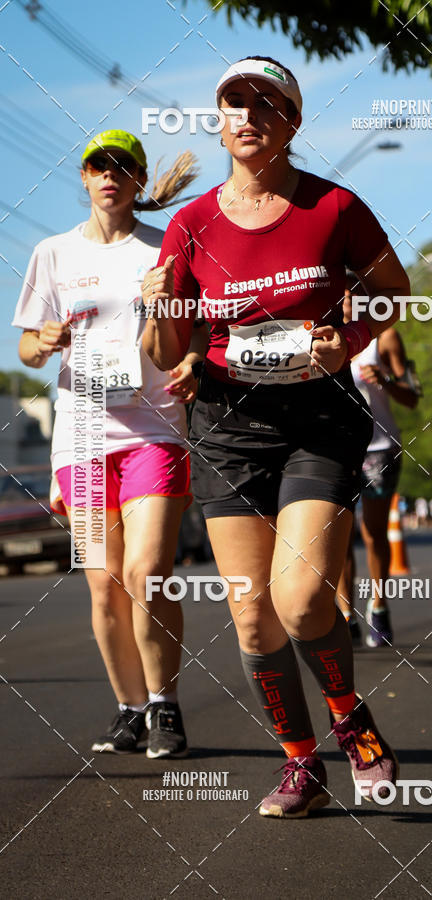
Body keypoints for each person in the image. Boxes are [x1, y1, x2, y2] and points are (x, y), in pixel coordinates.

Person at [142, 56, 411, 817]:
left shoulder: (334, 206)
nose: (248, 115)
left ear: (292, 121)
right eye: (233, 103)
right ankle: (301, 765)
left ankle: (350, 717)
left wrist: (347, 336)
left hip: (317, 419)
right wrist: (162, 311)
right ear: (219, 120)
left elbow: (394, 293)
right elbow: (165, 354)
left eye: (266, 103)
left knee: (299, 601)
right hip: (228, 426)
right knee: (252, 613)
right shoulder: (192, 225)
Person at [13, 129, 200, 758]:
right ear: (85, 177)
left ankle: (165, 706)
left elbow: (196, 330)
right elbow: (26, 346)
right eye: (99, 165)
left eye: (124, 166)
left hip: (153, 429)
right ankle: (128, 708)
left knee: (148, 573)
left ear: (140, 180)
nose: (110, 175)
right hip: (83, 435)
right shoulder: (53, 253)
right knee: (105, 583)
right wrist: (46, 341)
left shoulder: (165, 248)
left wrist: (190, 355)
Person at [336, 282, 419, 647]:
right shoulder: (321, 335)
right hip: (336, 447)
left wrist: (384, 379)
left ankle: (379, 605)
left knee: (372, 532)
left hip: (379, 447)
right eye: (342, 295)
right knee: (336, 534)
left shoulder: (384, 339)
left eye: (353, 294)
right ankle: (344, 614)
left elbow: (413, 397)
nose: (347, 301)